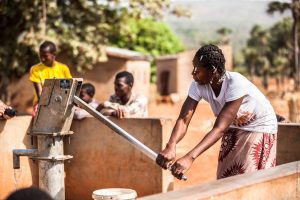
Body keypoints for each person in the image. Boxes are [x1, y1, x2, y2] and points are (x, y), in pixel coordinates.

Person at [156, 44, 278, 180]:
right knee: (226, 178)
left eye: (197, 69)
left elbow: (220, 128)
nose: (193, 73)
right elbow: (184, 120)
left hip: (259, 127)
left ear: (213, 71)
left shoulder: (235, 83)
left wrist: (189, 157)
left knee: (247, 178)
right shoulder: (198, 85)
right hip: (234, 127)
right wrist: (171, 145)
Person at [29, 41, 72, 117]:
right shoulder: (36, 69)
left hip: (61, 103)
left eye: (45, 56)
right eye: (40, 56)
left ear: (54, 54)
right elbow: (40, 94)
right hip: (41, 104)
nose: (42, 59)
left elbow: (66, 90)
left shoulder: (63, 68)